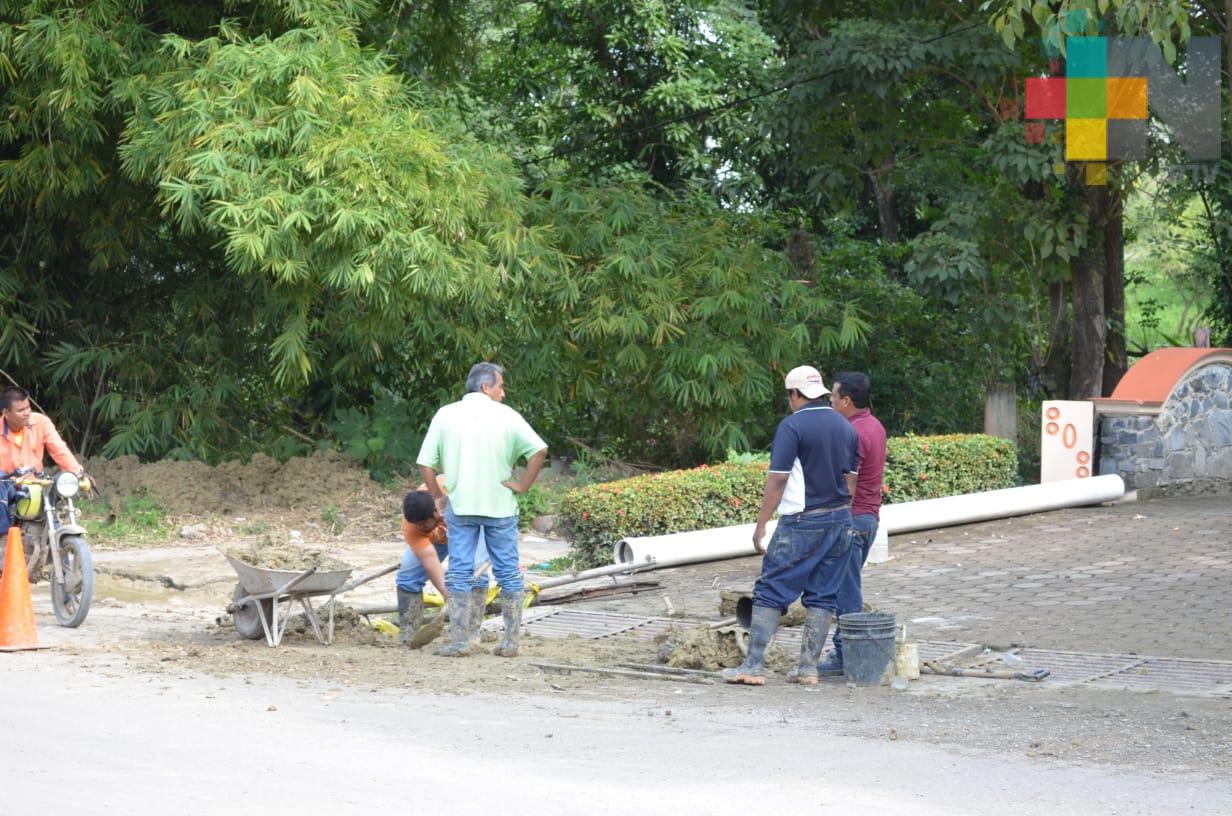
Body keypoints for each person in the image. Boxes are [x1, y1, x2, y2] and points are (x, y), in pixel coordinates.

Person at [723, 365, 859, 686]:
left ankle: (753, 665)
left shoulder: (792, 426)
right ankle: (808, 668)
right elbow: (850, 480)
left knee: (772, 589)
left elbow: (778, 479)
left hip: (802, 521)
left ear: (795, 394)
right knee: (824, 595)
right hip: (840, 518)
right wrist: (839, 516)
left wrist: (760, 526)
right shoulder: (845, 426)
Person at [417, 362, 547, 658]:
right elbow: (539, 451)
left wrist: (437, 496)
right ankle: (511, 642)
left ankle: (462, 642)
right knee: (509, 573)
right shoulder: (507, 415)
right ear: (485, 387)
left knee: (460, 571)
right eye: (500, 386)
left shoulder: (445, 415)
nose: (503, 393)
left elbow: (425, 463)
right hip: (500, 506)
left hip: (461, 507)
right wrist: (523, 485)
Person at [815, 371, 888, 675]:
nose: (830, 400)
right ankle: (845, 653)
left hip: (852, 520)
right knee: (845, 587)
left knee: (846, 593)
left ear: (846, 400)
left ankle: (846, 658)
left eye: (833, 396)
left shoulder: (853, 434)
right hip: (868, 518)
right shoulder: (874, 425)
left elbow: (848, 486)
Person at [394, 488, 491, 648]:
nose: (420, 527)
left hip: (472, 527)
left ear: (435, 511)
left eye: (424, 523)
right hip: (439, 539)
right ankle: (409, 633)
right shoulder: (412, 524)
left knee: (475, 570)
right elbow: (429, 560)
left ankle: (471, 633)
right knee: (407, 575)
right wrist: (448, 594)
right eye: (417, 524)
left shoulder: (455, 495)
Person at [0, 386, 83, 476]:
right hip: (5, 486)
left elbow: (60, 450)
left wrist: (78, 473)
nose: (27, 413)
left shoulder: (41, 422)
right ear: (6, 413)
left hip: (36, 484)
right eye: (21, 410)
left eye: (28, 407)